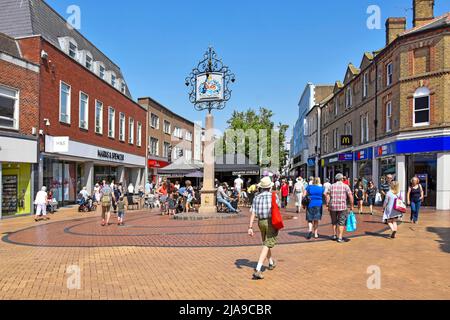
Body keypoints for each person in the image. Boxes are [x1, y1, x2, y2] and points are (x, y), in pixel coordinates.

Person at [248, 177, 280, 280]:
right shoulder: (274, 196)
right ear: (270, 187)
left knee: (266, 242)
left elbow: (253, 212)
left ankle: (271, 263)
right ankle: (258, 269)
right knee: (268, 244)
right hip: (271, 222)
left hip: (260, 222)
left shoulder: (256, 197)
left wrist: (250, 227)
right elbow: (278, 207)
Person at [326, 173, 354, 243]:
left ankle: (334, 235)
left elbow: (327, 195)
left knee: (334, 221)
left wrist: (327, 204)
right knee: (341, 222)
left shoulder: (331, 186)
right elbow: (350, 196)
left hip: (333, 206)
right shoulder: (346, 186)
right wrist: (351, 205)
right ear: (342, 179)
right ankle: (340, 237)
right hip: (342, 206)